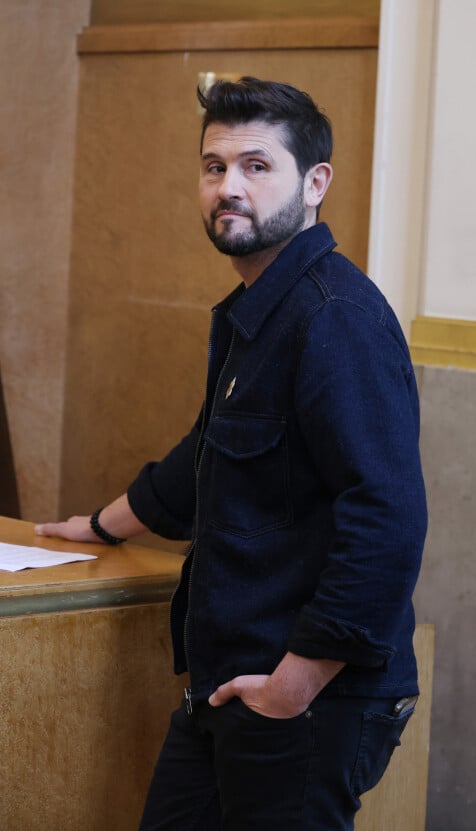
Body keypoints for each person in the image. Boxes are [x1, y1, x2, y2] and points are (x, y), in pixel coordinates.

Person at [36, 77, 428, 831]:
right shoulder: (261, 310)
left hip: (305, 699)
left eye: (256, 166)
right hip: (228, 686)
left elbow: (388, 517)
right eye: (214, 167)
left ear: (315, 183)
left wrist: (296, 682)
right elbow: (206, 459)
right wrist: (99, 524)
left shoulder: (334, 317)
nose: (229, 187)